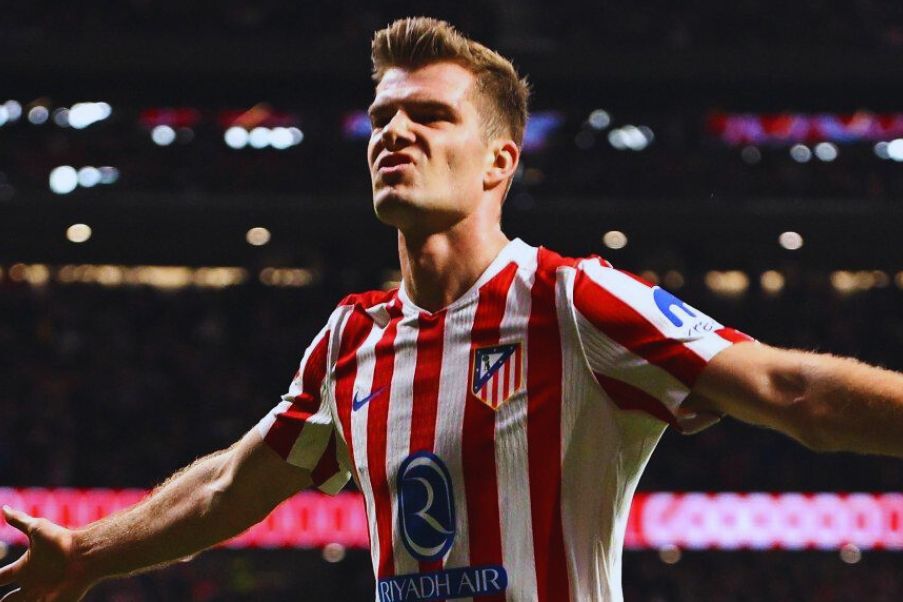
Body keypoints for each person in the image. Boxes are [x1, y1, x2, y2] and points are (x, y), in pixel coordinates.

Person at [1, 16, 902, 602]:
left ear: (499, 162)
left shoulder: (570, 299)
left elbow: (791, 391)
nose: (394, 132)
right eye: (382, 117)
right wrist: (86, 555)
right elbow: (230, 486)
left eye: (430, 116)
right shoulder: (351, 338)